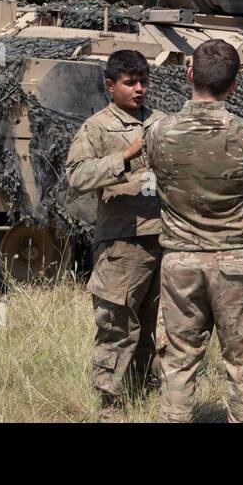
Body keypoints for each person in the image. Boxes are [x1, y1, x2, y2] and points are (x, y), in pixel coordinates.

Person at [144, 40, 243, 423]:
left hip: (180, 263)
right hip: (236, 263)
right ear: (233, 85)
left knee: (178, 364)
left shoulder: (159, 132)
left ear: (189, 75)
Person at [66, 50, 166, 411]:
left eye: (143, 82)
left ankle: (148, 394)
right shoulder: (96, 127)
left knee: (158, 325)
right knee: (117, 324)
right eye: (130, 82)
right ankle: (110, 402)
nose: (139, 89)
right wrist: (124, 157)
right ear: (111, 86)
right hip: (122, 242)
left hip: (166, 239)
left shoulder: (162, 122)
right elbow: (76, 176)